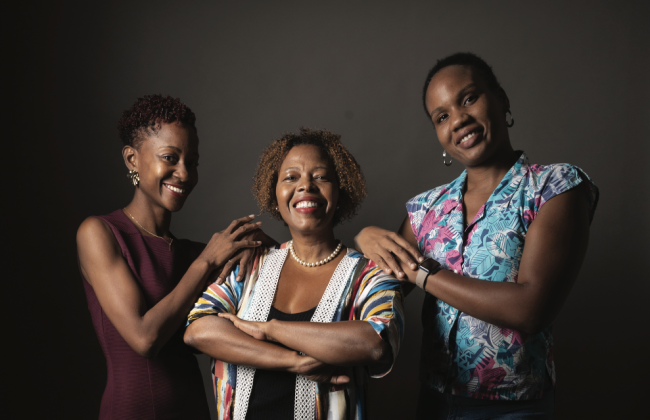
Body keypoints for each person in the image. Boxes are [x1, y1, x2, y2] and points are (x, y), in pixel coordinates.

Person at [354, 53, 599, 419]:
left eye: (468, 98)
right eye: (442, 116)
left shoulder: (555, 188)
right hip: (434, 403)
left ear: (501, 99)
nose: (459, 120)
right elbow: (371, 293)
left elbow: (531, 308)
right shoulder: (426, 209)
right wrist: (363, 238)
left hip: (514, 409)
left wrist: (423, 273)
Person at [184, 128, 404, 420]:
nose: (306, 186)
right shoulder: (250, 266)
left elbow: (375, 343)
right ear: (274, 195)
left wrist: (270, 329)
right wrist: (292, 361)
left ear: (340, 193)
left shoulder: (370, 275)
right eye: (291, 177)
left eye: (321, 176)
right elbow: (198, 329)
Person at [76, 94, 266, 419]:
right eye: (170, 157)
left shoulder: (192, 252)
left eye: (191, 162)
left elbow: (295, 262)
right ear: (131, 159)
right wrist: (206, 262)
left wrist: (258, 241)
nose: (184, 173)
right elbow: (144, 338)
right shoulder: (100, 233)